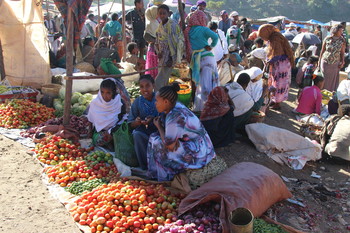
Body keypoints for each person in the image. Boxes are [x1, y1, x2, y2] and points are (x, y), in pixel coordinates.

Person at [147, 83, 220, 185]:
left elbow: (170, 146)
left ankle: (165, 177)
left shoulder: (174, 116)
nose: (155, 103)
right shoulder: (176, 105)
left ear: (166, 101)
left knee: (156, 142)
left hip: (199, 154)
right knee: (157, 138)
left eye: (157, 101)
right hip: (203, 146)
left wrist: (159, 127)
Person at [184, 10, 218, 112]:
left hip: (197, 60)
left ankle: (202, 108)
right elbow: (215, 37)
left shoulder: (187, 30)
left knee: (202, 85)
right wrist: (211, 46)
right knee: (212, 83)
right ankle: (211, 107)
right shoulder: (204, 29)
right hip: (208, 58)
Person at [258, 24, 294, 110]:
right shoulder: (274, 36)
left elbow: (277, 53)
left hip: (281, 64)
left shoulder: (275, 38)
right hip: (280, 64)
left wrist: (269, 61)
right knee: (275, 82)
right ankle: (275, 100)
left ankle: (277, 103)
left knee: (279, 84)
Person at [128, 75, 159, 170]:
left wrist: (154, 119)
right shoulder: (137, 102)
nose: (145, 89)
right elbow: (130, 123)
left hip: (160, 131)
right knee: (136, 134)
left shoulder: (159, 98)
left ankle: (159, 165)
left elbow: (167, 116)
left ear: (153, 85)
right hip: (146, 133)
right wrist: (137, 122)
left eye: (147, 86)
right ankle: (145, 166)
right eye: (141, 87)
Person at [87, 78, 127, 148]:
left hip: (115, 130)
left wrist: (112, 131)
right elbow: (90, 119)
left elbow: (123, 118)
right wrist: (90, 132)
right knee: (102, 138)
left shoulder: (119, 102)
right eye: (102, 92)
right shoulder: (95, 103)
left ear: (114, 92)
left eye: (108, 93)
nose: (105, 96)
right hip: (100, 132)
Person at [154, 4, 184, 91]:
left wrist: (171, 59)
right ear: (158, 14)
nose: (162, 15)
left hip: (169, 58)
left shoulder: (172, 25)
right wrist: (158, 52)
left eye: (164, 13)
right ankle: (164, 97)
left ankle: (157, 97)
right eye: (160, 13)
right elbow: (157, 40)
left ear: (168, 14)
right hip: (162, 57)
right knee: (164, 79)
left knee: (158, 82)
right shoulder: (160, 26)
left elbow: (175, 43)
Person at [319, 24, 346, 91]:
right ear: (335, 30)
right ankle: (320, 93)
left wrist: (342, 61)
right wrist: (319, 62)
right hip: (325, 61)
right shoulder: (327, 39)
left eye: (342, 31)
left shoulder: (342, 40)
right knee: (323, 78)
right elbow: (322, 51)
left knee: (332, 80)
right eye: (340, 30)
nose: (341, 32)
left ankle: (329, 95)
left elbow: (342, 53)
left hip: (335, 63)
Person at [144, 6, 159, 79]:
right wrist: (155, 41)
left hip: (157, 47)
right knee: (153, 65)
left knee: (156, 65)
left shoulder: (155, 22)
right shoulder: (150, 23)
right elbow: (146, 36)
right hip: (153, 47)